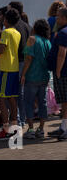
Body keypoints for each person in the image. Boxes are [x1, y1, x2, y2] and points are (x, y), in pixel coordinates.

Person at [0, 8, 21, 141]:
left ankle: (5, 129)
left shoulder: (6, 32)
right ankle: (15, 128)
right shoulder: (17, 33)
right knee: (12, 99)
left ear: (6, 20)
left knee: (1, 98)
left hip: (6, 69)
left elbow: (1, 49)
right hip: (14, 69)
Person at [20, 19, 51, 139]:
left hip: (32, 76)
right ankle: (41, 129)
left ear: (36, 28)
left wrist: (23, 74)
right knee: (42, 103)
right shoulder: (47, 42)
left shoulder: (31, 39)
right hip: (44, 77)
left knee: (28, 102)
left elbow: (28, 58)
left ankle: (31, 129)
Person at [8, 1, 31, 127]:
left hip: (18, 62)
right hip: (27, 62)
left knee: (15, 93)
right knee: (22, 92)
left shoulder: (15, 27)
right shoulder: (28, 26)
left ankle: (18, 120)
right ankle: (23, 119)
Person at [47, 8, 67, 140]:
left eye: (58, 16)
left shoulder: (63, 33)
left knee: (66, 100)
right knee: (65, 101)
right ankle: (64, 127)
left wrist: (58, 71)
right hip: (63, 71)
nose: (57, 19)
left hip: (64, 72)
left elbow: (62, 53)